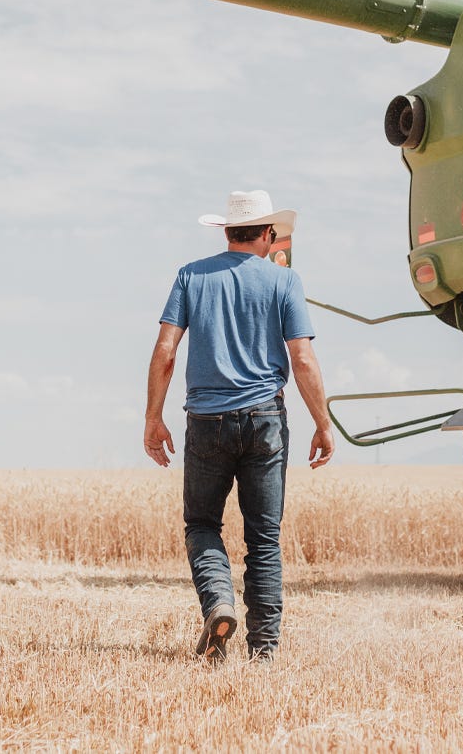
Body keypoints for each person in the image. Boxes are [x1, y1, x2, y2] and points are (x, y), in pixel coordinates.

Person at [143, 189, 335, 662]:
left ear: (227, 232)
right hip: (267, 420)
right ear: (268, 234)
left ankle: (219, 604)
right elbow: (303, 358)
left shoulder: (190, 276)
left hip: (206, 421)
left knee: (203, 524)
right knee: (264, 539)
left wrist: (153, 418)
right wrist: (322, 423)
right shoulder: (284, 282)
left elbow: (166, 352)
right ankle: (263, 652)